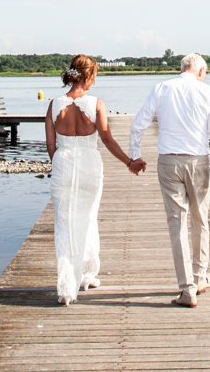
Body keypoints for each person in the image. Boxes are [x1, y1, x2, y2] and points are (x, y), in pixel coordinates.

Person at [128, 53, 210, 308]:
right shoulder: (208, 92)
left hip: (169, 162)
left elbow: (138, 124)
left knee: (177, 224)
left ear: (182, 68)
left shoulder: (162, 88)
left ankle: (187, 289)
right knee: (200, 220)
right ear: (201, 71)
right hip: (199, 162)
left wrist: (136, 156)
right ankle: (200, 277)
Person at [45, 53, 144, 305]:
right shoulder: (96, 103)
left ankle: (67, 287)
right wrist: (129, 162)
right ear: (87, 76)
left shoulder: (54, 104)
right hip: (89, 163)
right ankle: (87, 275)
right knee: (88, 218)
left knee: (65, 223)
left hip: (63, 162)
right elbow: (107, 139)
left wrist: (60, 163)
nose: (95, 81)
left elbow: (50, 144)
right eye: (95, 76)